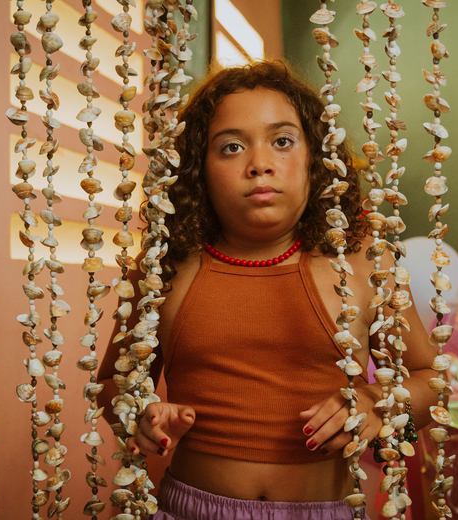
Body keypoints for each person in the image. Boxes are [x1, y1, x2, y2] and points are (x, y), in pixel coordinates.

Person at [97, 60, 437, 520]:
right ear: (198, 169)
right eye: (231, 147)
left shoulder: (363, 262)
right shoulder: (165, 265)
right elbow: (111, 383)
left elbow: (430, 378)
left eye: (282, 141)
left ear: (316, 158)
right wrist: (139, 414)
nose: (260, 164)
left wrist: (378, 405)